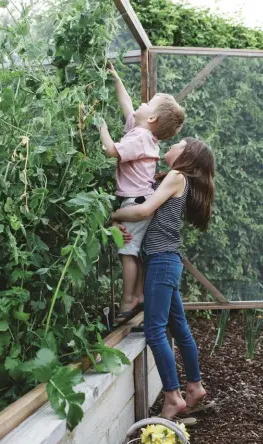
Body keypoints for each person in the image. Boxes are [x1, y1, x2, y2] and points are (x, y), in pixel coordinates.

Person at [111, 137, 215, 419]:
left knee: (155, 330)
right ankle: (194, 387)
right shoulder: (176, 179)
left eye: (179, 143)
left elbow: (145, 210)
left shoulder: (177, 176)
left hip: (161, 262)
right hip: (167, 262)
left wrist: (111, 215)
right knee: (178, 326)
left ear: (186, 155)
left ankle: (172, 396)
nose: (171, 144)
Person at [97, 62, 185, 319]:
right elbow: (127, 104)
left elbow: (111, 151)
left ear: (151, 118)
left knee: (127, 252)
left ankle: (128, 300)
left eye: (147, 103)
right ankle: (138, 295)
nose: (140, 103)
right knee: (132, 250)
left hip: (134, 202)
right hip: (138, 198)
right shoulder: (142, 133)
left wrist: (100, 126)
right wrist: (115, 78)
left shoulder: (139, 139)